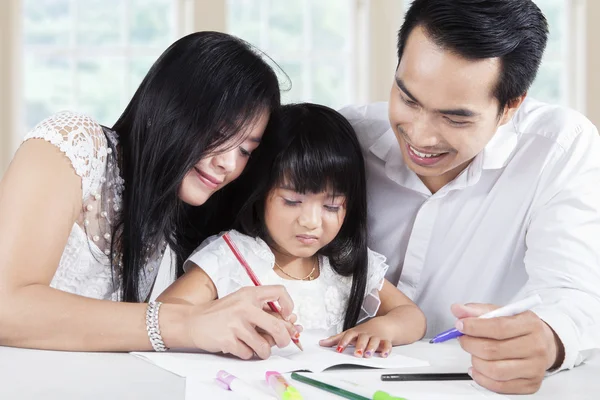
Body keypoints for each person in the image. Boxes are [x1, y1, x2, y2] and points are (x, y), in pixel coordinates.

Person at [340, 0, 600, 394]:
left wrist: (549, 339)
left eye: (455, 117)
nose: (421, 137)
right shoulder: (348, 138)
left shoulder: (558, 149)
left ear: (511, 106)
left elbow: (575, 293)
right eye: (408, 99)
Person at [0, 31, 299, 359]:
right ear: (168, 106)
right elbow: (6, 308)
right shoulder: (74, 143)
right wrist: (185, 323)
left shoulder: (168, 206)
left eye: (245, 150)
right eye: (218, 134)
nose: (228, 163)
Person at [158, 103, 426, 358]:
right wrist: (224, 320)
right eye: (292, 201)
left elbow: (411, 316)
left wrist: (382, 329)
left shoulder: (345, 262)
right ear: (260, 193)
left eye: (331, 206)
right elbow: (164, 314)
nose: (311, 221)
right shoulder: (233, 255)